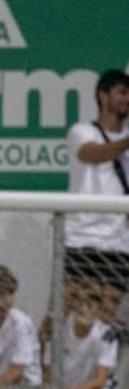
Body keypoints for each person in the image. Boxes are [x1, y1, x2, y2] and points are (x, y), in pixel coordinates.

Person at [62, 69, 129, 323]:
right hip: (82, 235)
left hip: (118, 241)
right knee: (66, 302)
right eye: (122, 92)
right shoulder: (81, 131)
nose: (127, 99)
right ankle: (42, 351)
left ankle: (99, 363)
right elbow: (93, 154)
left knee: (107, 311)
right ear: (103, 96)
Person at [44, 278, 119, 389]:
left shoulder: (107, 334)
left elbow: (99, 381)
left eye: (90, 306)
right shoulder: (60, 327)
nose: (84, 309)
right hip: (63, 386)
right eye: (81, 303)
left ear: (98, 310)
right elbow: (48, 368)